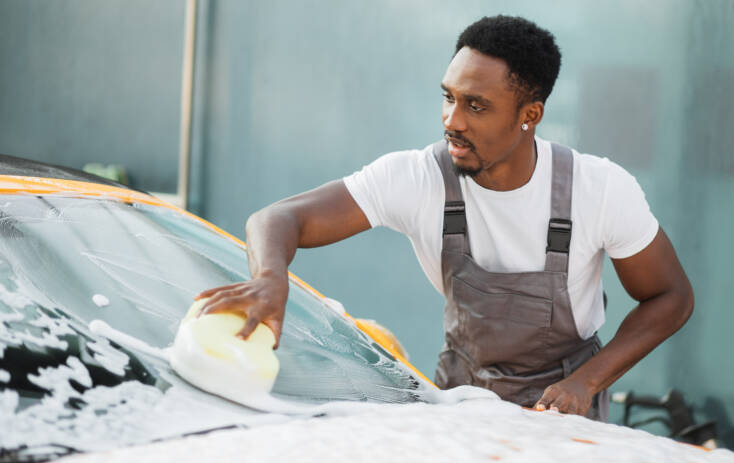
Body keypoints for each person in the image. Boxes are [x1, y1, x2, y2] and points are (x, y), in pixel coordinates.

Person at [195, 15, 693, 422]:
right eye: (449, 97)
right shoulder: (417, 178)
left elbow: (671, 296)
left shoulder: (598, 189)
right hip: (458, 404)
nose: (453, 120)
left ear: (530, 114)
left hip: (566, 415)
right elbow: (279, 218)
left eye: (476, 106)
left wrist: (587, 381)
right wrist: (268, 278)